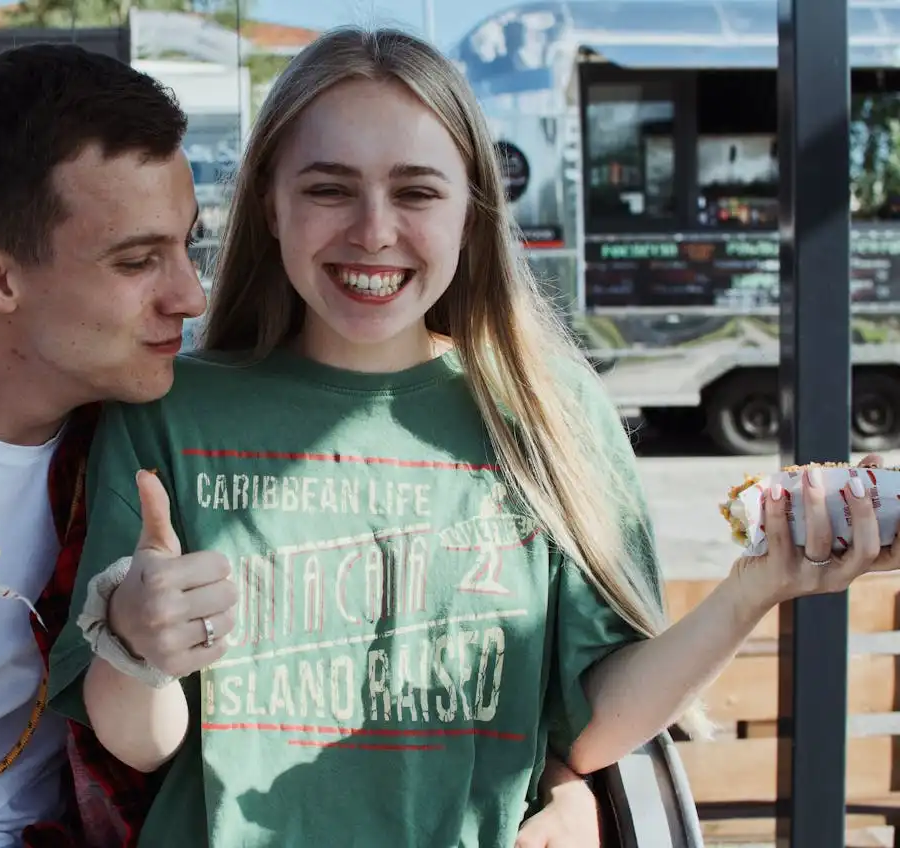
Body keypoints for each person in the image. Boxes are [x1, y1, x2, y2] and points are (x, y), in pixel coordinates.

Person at [0, 40, 599, 848]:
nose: (189, 294)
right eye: (139, 261)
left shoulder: (158, 433)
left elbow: (355, 658)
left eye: (187, 244)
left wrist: (546, 770)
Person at [45, 26, 900, 848]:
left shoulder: (549, 408)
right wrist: (138, 640)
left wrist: (750, 591)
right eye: (328, 188)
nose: (373, 230)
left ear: (471, 211)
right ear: (270, 204)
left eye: (416, 191)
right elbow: (139, 743)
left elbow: (593, 721)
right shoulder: (169, 407)